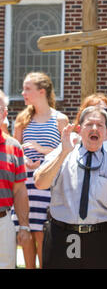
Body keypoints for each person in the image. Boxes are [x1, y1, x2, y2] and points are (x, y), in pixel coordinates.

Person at [35, 106, 107, 269]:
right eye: (89, 124)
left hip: (99, 238)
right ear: (79, 129)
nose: (94, 129)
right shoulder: (62, 153)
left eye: (100, 125)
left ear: (106, 132)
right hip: (62, 235)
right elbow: (40, 183)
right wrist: (63, 153)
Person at [12, 72, 69, 269]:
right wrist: (25, 159)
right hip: (26, 185)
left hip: (48, 185)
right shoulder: (22, 119)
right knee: (26, 233)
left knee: (42, 234)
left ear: (41, 91)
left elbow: (68, 151)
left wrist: (42, 152)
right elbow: (14, 149)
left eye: (27, 88)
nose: (23, 92)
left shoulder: (60, 119)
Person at [73, 93, 107, 269]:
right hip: (78, 222)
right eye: (95, 110)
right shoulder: (75, 143)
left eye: (106, 111)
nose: (101, 114)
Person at [0, 89, 31, 269]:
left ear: (4, 113)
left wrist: (24, 227)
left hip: (4, 223)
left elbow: (19, 191)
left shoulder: (14, 147)